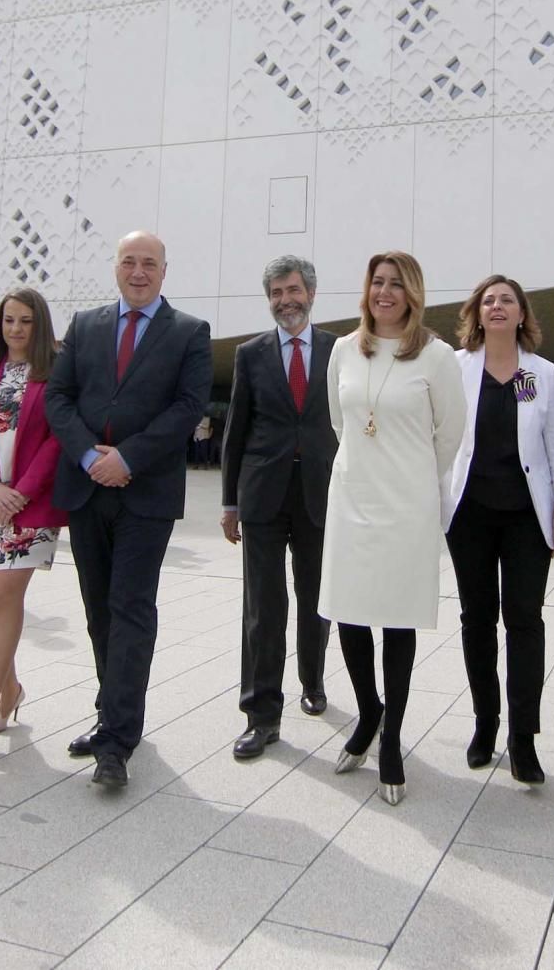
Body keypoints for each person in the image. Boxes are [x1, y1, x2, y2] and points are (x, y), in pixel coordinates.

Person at [46, 230, 212, 789]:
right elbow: (58, 398)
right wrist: (90, 453)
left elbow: (190, 406)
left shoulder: (189, 332)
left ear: (165, 271)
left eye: (149, 264)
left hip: (144, 493)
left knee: (131, 609)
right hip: (88, 486)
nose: (138, 272)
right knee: (99, 611)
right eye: (129, 262)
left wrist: (129, 458)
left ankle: (118, 740)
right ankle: (108, 713)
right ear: (115, 267)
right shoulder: (85, 325)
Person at [319, 251, 465, 805]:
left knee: (397, 622)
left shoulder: (437, 356)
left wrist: (413, 481)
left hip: (407, 505)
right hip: (353, 496)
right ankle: (368, 713)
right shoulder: (342, 351)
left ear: (413, 293)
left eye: (396, 284)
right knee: (351, 614)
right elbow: (341, 422)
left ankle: (393, 739)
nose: (385, 292)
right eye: (377, 282)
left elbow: (449, 435)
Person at [440, 275, 554, 781]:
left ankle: (523, 737)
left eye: (506, 300)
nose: (497, 307)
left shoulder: (541, 373)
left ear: (520, 314)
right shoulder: (455, 367)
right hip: (468, 514)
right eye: (488, 300)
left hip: (524, 517)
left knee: (525, 621)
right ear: (476, 312)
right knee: (476, 620)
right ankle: (484, 723)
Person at [221, 255, 337, 760]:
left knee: (318, 598)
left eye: (292, 290)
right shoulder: (251, 354)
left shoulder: (340, 351)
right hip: (263, 496)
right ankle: (261, 713)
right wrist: (229, 502)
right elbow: (236, 429)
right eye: (276, 293)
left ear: (311, 293)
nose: (285, 300)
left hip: (322, 494)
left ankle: (313, 681)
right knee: (263, 608)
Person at [0, 288, 67, 750]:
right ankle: (11, 688)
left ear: (39, 326)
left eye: (25, 321)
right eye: (8, 321)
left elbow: (57, 440)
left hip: (31, 504)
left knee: (5, 591)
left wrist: (19, 492)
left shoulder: (56, 373)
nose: (16, 329)